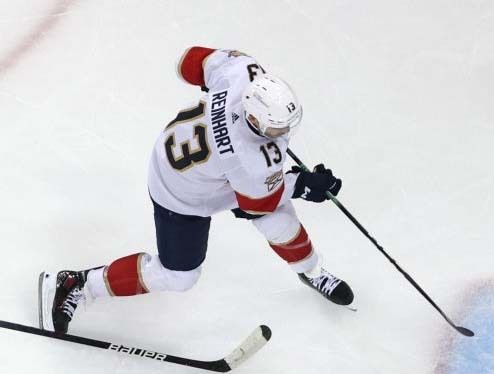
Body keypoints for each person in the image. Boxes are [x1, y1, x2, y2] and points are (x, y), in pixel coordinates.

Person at [38, 47, 353, 335]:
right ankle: (77, 284)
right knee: (180, 275)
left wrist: (216, 90)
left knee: (278, 222)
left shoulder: (242, 72)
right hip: (181, 196)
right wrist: (305, 185)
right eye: (277, 129)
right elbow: (253, 207)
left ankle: (311, 272)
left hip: (185, 157)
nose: (284, 133)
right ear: (254, 118)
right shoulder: (248, 159)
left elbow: (187, 62)